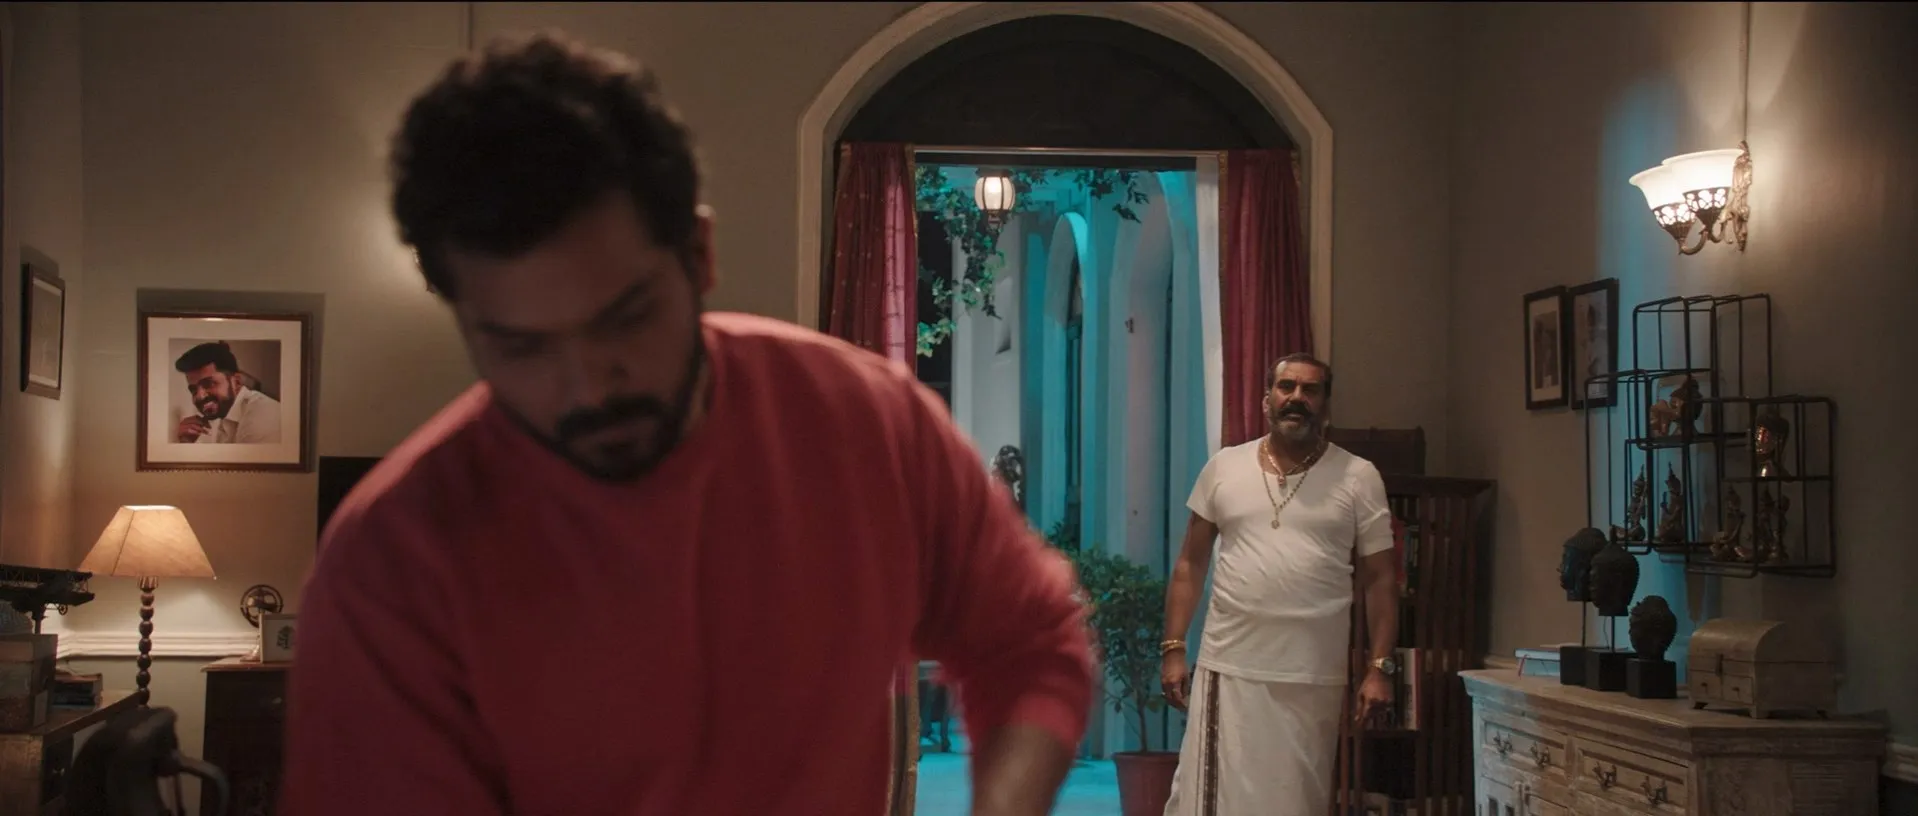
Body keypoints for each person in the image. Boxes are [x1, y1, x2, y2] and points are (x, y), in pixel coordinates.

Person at [276, 33, 1092, 816]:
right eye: (521, 347)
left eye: (625, 319)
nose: (588, 388)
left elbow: (1028, 644)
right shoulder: (391, 567)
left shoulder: (864, 423)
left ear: (699, 254)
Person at [1157, 353, 1399, 816]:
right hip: (1230, 666)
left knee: (1295, 800)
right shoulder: (1224, 467)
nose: (1297, 398)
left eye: (1311, 390)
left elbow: (1381, 578)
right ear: (1266, 399)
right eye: (1286, 387)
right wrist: (1173, 648)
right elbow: (1190, 563)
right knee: (1212, 800)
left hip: (1311, 674)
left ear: (1325, 404)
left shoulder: (1358, 477)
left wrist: (1380, 667)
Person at [173, 341, 283, 444]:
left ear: (237, 382)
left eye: (209, 384)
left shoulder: (262, 413)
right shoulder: (219, 418)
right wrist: (186, 444)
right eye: (193, 390)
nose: (200, 396)